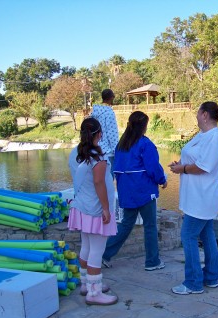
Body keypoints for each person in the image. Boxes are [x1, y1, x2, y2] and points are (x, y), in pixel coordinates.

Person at [168, 101, 218, 295]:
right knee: (207, 235)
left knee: (188, 236)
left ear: (205, 115)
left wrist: (182, 168)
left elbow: (203, 167)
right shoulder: (202, 136)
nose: (196, 116)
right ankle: (211, 277)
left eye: (198, 113)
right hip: (197, 196)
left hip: (203, 197)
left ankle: (193, 283)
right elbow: (195, 159)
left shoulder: (215, 138)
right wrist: (180, 164)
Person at [102, 110, 168, 271]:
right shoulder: (145, 144)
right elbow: (153, 168)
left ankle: (104, 254)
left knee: (126, 225)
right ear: (144, 126)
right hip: (144, 192)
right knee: (150, 226)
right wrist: (162, 180)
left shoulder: (121, 145)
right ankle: (152, 261)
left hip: (127, 192)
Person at [67, 117, 118, 305]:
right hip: (95, 209)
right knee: (97, 249)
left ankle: (86, 284)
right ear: (99, 134)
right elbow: (99, 183)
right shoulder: (98, 156)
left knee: (87, 246)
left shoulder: (78, 152)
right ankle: (94, 293)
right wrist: (106, 208)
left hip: (82, 206)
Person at [90, 89, 119, 175]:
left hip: (95, 149)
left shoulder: (94, 113)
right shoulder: (109, 113)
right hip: (107, 152)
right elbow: (112, 134)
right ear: (111, 97)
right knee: (108, 178)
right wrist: (116, 151)